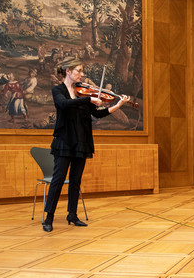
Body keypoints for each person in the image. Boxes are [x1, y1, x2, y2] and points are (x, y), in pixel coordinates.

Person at [41, 57, 129, 232]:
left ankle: (72, 215)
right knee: (58, 180)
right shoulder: (58, 90)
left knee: (76, 180)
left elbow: (98, 114)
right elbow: (64, 105)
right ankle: (48, 217)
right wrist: (88, 100)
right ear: (68, 71)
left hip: (82, 140)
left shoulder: (84, 93)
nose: (82, 74)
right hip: (65, 140)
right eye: (79, 71)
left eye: (81, 71)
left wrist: (118, 105)